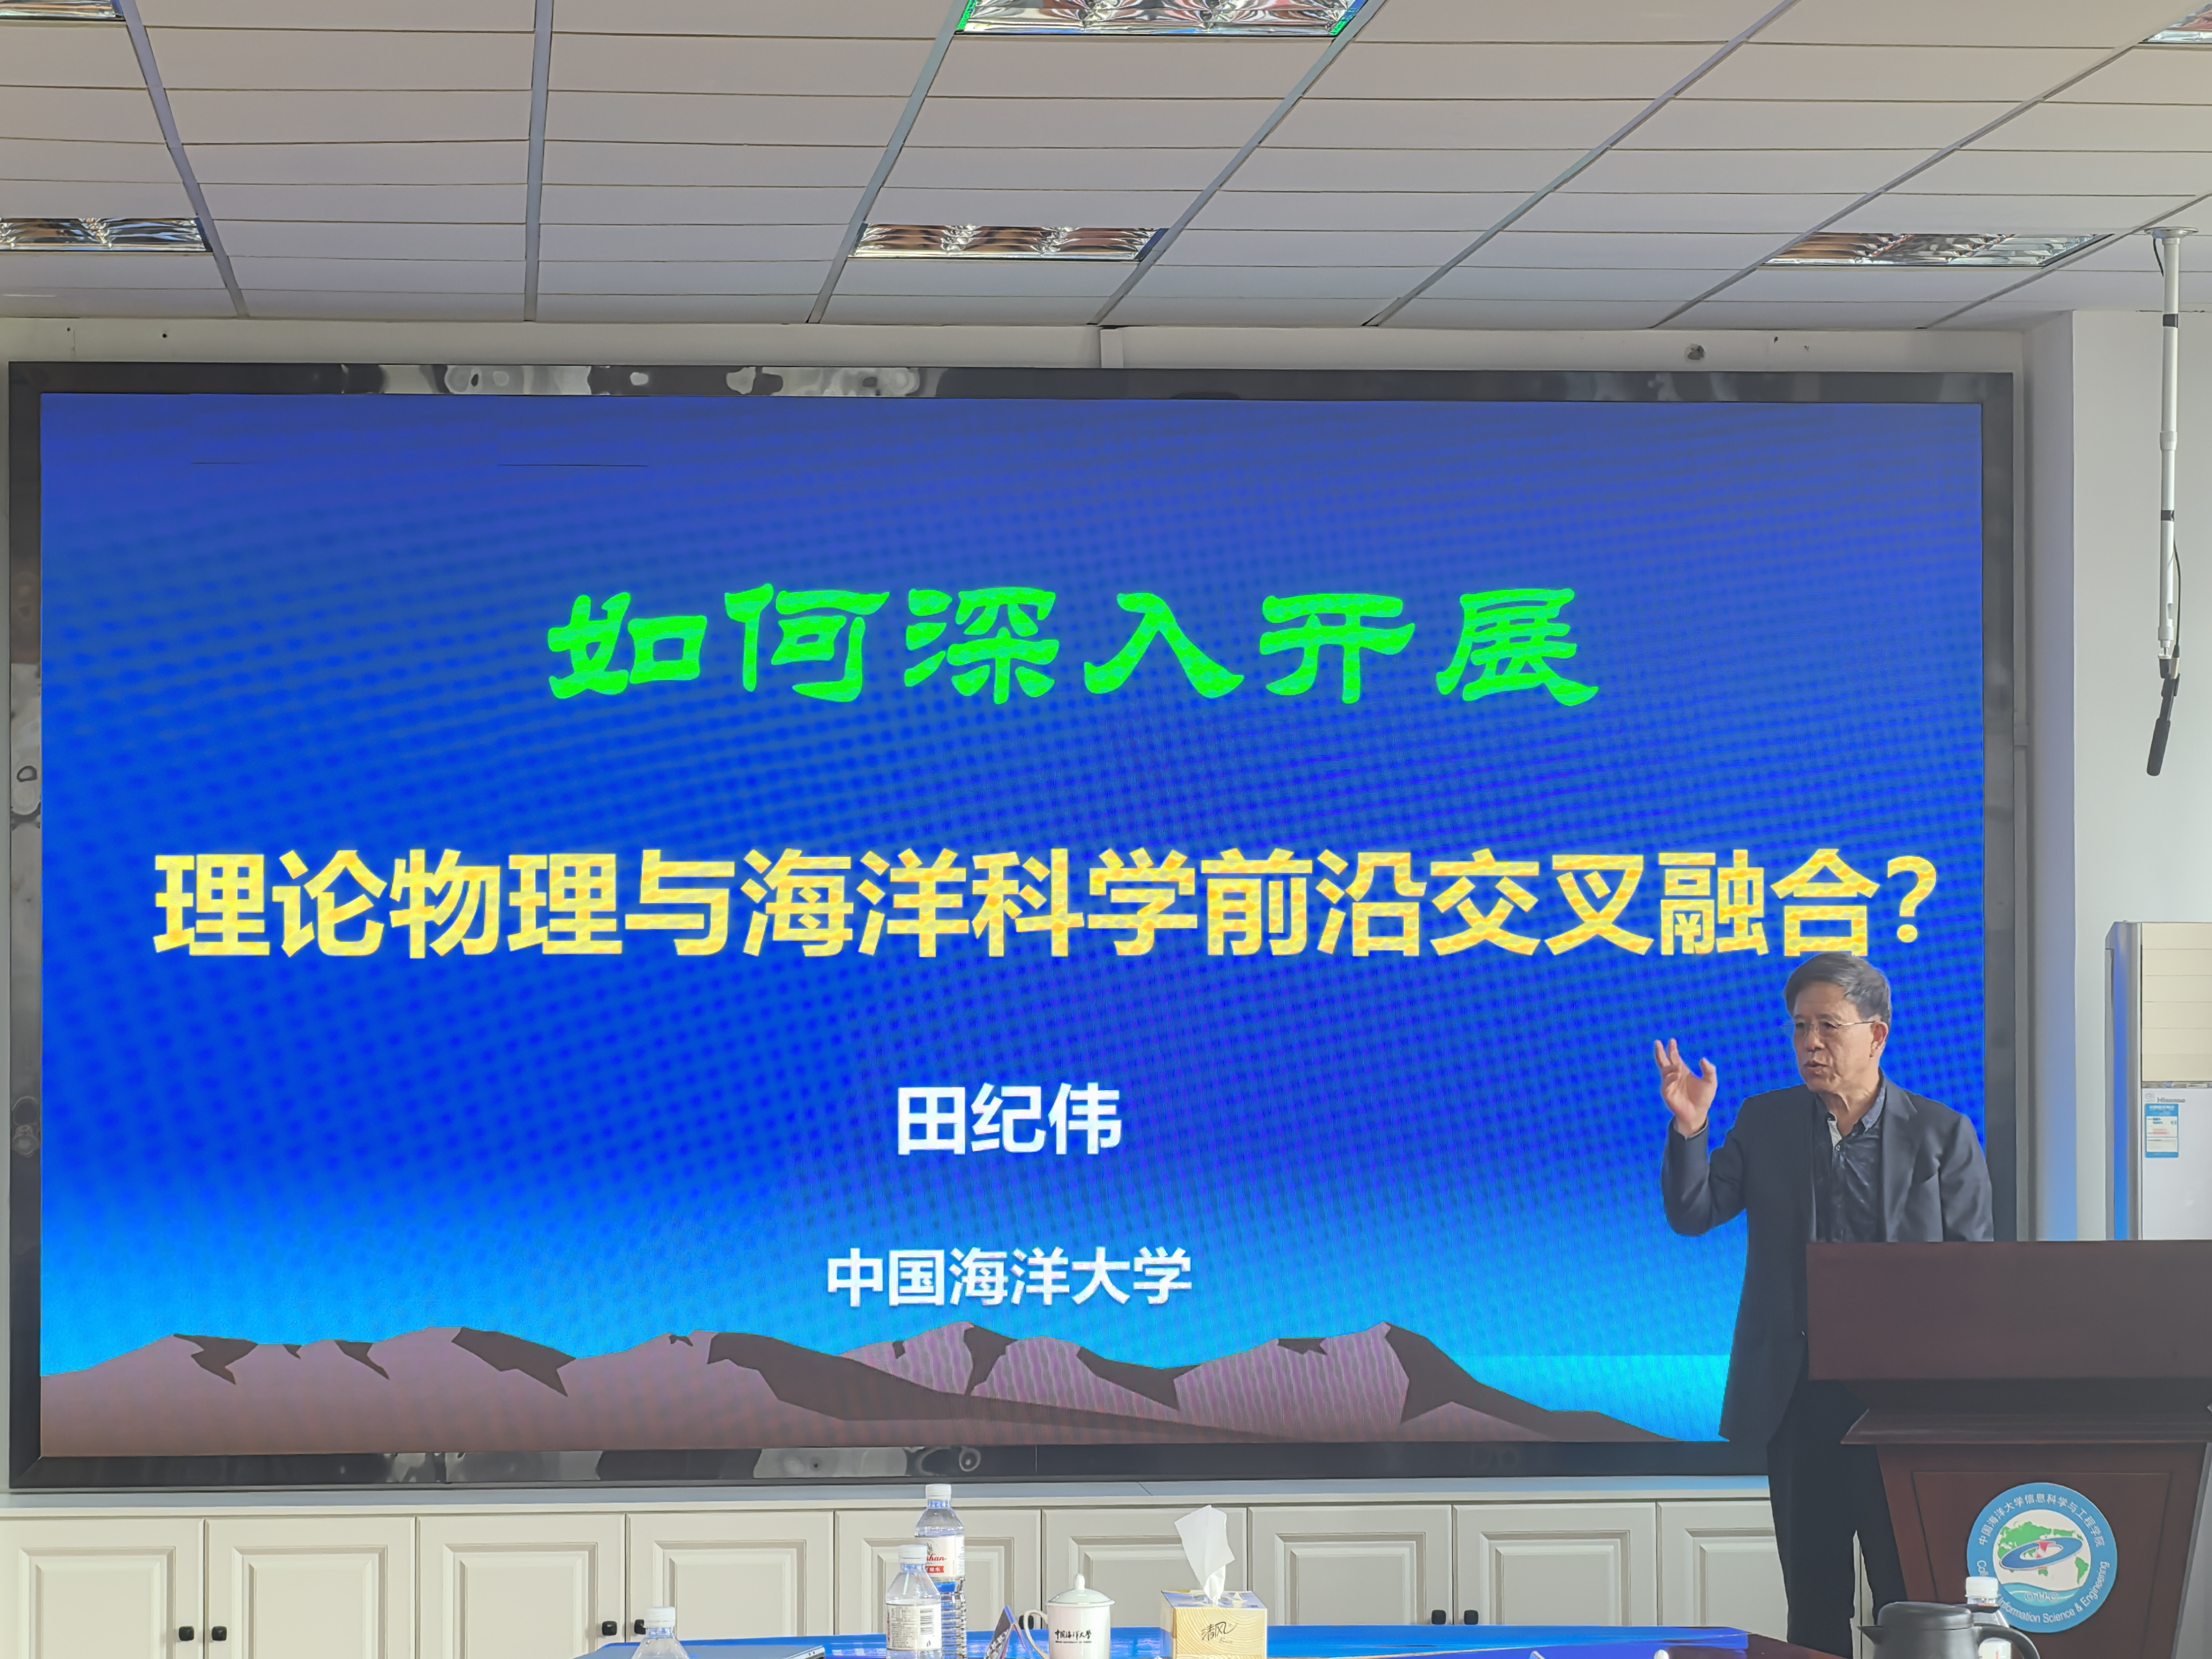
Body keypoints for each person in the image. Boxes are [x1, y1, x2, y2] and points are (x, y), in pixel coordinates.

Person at [1656, 952, 1992, 1658]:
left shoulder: (1942, 1135)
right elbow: (1693, 1214)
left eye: (1828, 1027)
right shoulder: (1767, 1120)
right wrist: (1691, 1130)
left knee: (1910, 1599)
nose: (1810, 1043)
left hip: (1903, 1408)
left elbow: (1973, 1280)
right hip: (1799, 1399)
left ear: (1876, 1035)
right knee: (1813, 1600)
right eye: (1800, 1027)